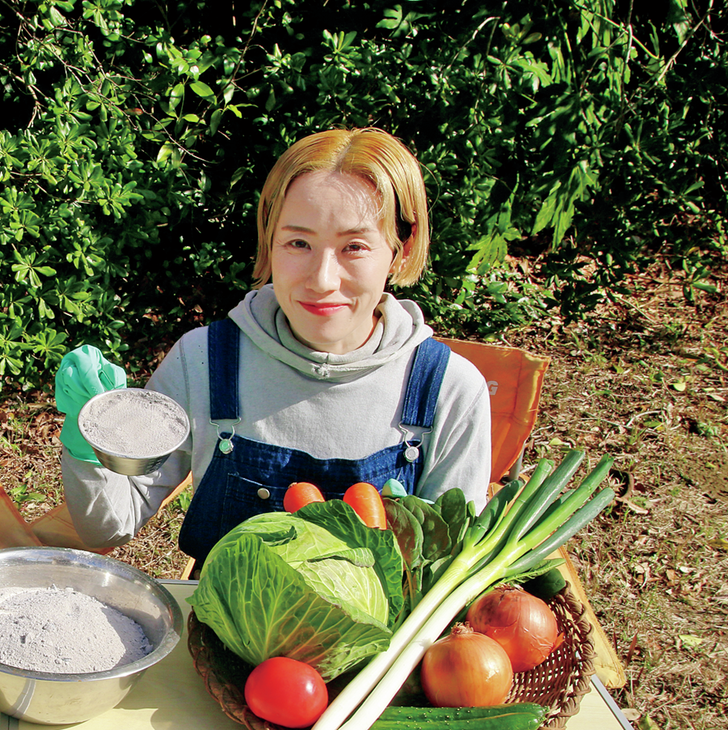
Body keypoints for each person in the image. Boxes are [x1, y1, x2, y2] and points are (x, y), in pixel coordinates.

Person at [56, 127, 492, 565]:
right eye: (298, 243)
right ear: (270, 239)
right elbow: (110, 523)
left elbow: (448, 573)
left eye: (354, 246)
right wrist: (89, 441)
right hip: (219, 629)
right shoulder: (204, 362)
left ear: (401, 249)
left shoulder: (449, 392)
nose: (322, 279)